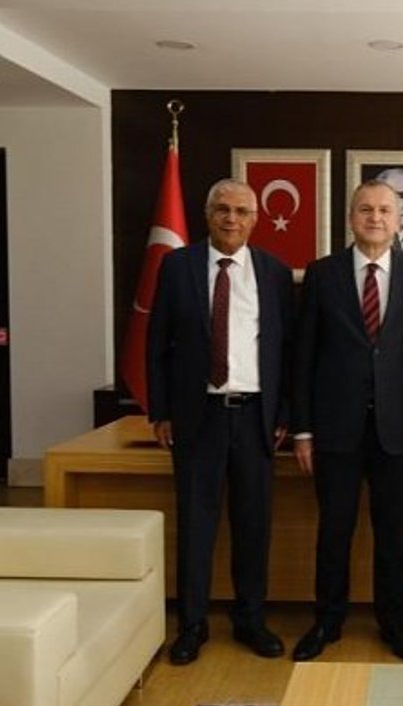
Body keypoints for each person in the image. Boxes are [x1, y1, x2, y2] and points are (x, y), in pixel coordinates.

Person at [290, 180, 403, 663]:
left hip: (398, 431)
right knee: (334, 532)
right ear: (350, 217)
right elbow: (303, 357)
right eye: (365, 209)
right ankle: (327, 621)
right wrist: (303, 429)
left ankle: (394, 624)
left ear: (398, 221)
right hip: (335, 429)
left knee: (394, 535)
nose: (375, 217)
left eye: (384, 210)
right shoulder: (322, 274)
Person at [147, 178, 294, 666]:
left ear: (255, 219)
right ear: (207, 214)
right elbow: (157, 343)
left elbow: (287, 350)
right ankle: (192, 625)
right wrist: (160, 411)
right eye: (222, 210)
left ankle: (250, 620)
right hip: (198, 417)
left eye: (241, 211)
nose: (232, 219)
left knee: (253, 524)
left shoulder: (274, 273)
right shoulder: (178, 266)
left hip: (255, 417)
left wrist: (284, 411)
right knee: (196, 524)